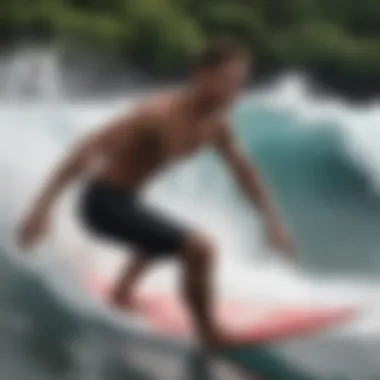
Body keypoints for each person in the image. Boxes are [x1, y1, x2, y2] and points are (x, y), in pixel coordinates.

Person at [17, 36, 294, 349]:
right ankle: (209, 332)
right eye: (229, 80)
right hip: (100, 204)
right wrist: (40, 210)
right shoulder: (156, 115)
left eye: (241, 82)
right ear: (202, 74)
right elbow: (85, 151)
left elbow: (244, 172)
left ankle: (122, 291)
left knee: (162, 234)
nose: (237, 90)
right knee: (199, 248)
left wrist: (272, 221)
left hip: (127, 202)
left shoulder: (216, 125)